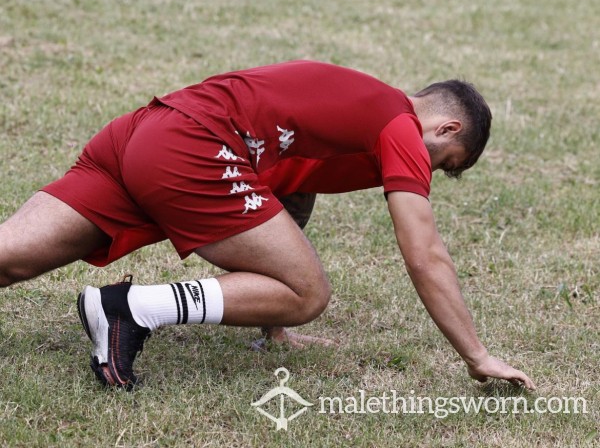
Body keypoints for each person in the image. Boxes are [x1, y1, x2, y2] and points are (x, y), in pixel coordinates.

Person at [0, 60, 535, 391]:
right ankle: (130, 309)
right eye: (444, 160)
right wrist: (478, 355)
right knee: (307, 293)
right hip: (193, 147)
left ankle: (156, 313)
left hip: (147, 130)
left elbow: (289, 194)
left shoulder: (354, 112)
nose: (431, 172)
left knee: (11, 257)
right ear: (446, 126)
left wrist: (272, 328)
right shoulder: (397, 124)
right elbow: (425, 255)